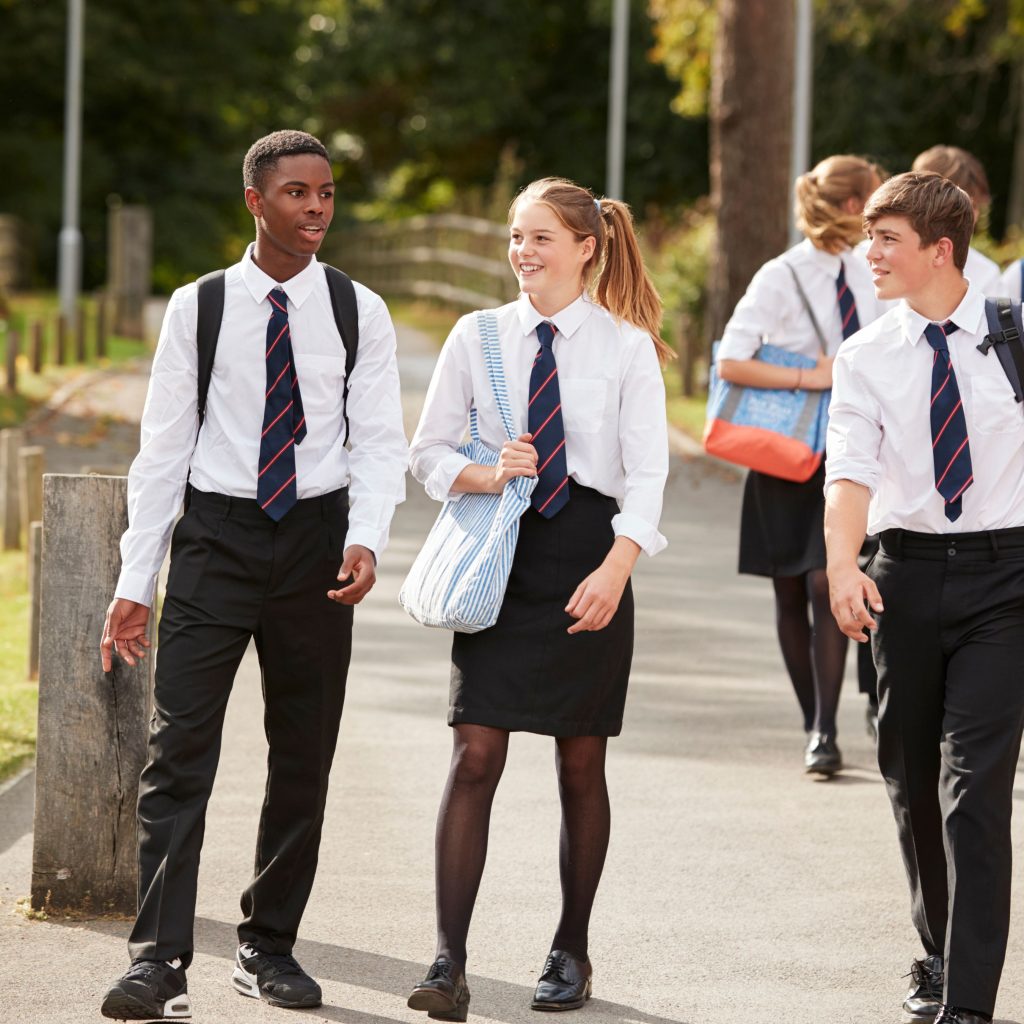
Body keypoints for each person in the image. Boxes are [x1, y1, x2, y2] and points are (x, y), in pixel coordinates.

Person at [98, 129, 408, 1020]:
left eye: (328, 193)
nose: (317, 208)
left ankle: (269, 945)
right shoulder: (199, 308)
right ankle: (158, 961)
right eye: (298, 193)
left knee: (302, 755)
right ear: (256, 201)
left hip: (315, 544)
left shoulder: (360, 311)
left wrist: (367, 537)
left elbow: (379, 441)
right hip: (217, 537)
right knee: (179, 751)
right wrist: (136, 579)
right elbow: (162, 450)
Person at [405, 178, 669, 1019]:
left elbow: (648, 474)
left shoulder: (627, 346)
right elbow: (429, 453)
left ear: (587, 247)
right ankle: (448, 961)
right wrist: (488, 472)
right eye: (516, 237)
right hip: (502, 555)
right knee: (474, 751)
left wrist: (618, 567)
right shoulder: (476, 335)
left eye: (541, 239)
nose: (523, 253)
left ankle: (572, 950)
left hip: (591, 557)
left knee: (580, 760)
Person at [825, 170, 1024, 1024]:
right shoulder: (867, 355)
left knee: (973, 790)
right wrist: (842, 567)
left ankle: (970, 1007)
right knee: (909, 778)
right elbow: (849, 474)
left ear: (939, 251)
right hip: (899, 578)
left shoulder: (1016, 335)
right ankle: (939, 951)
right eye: (870, 237)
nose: (868, 253)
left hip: (1007, 582)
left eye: (886, 239)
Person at [715, 154, 885, 774]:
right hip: (788, 452)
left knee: (827, 580)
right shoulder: (781, 276)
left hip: (855, 447)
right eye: (872, 199)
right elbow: (731, 362)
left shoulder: (877, 269)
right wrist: (810, 375)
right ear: (850, 207)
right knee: (791, 588)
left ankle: (827, 726)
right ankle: (817, 719)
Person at [912, 145, 1001, 296]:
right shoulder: (875, 257)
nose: (971, 216)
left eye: (974, 206)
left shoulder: (987, 274)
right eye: (957, 205)